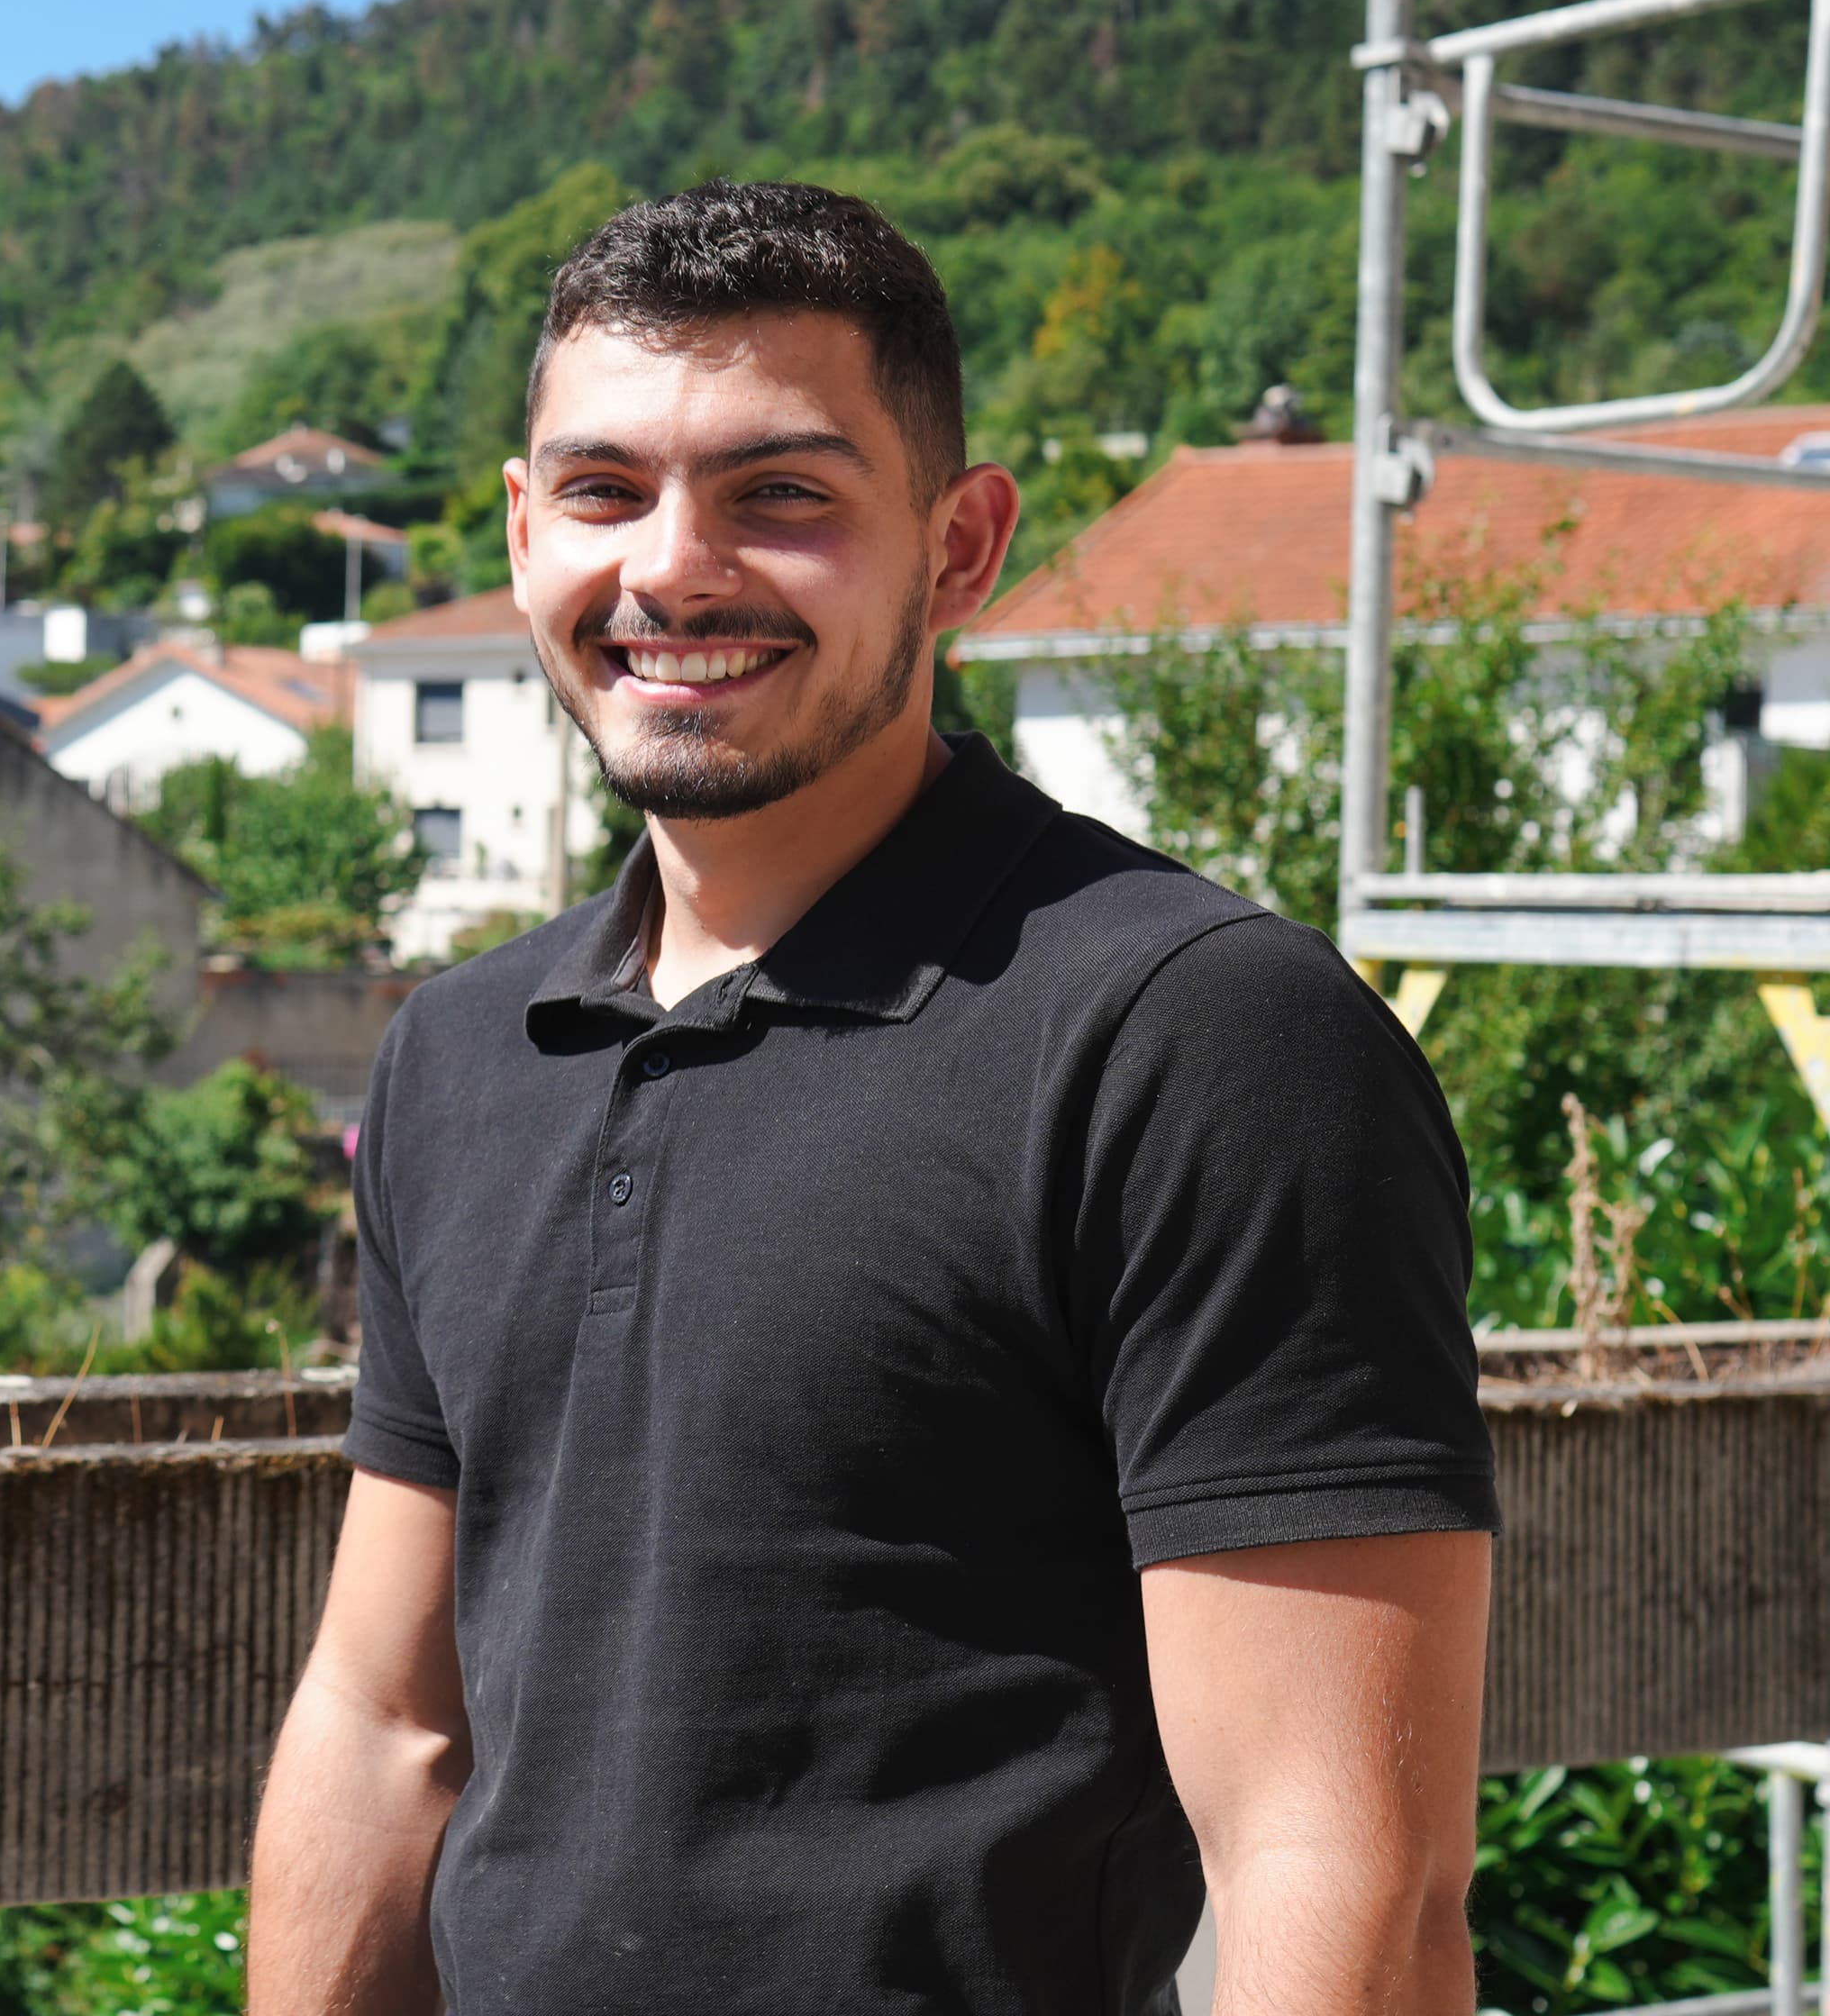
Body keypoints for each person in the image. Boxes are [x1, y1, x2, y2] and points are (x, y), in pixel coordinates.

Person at [248, 183, 1494, 2015]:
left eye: (785, 494)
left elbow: (1346, 1876)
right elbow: (383, 1728)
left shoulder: (1199, 1037)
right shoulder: (462, 1055)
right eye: (604, 491)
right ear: (525, 533)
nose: (672, 568)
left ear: (960, 546)